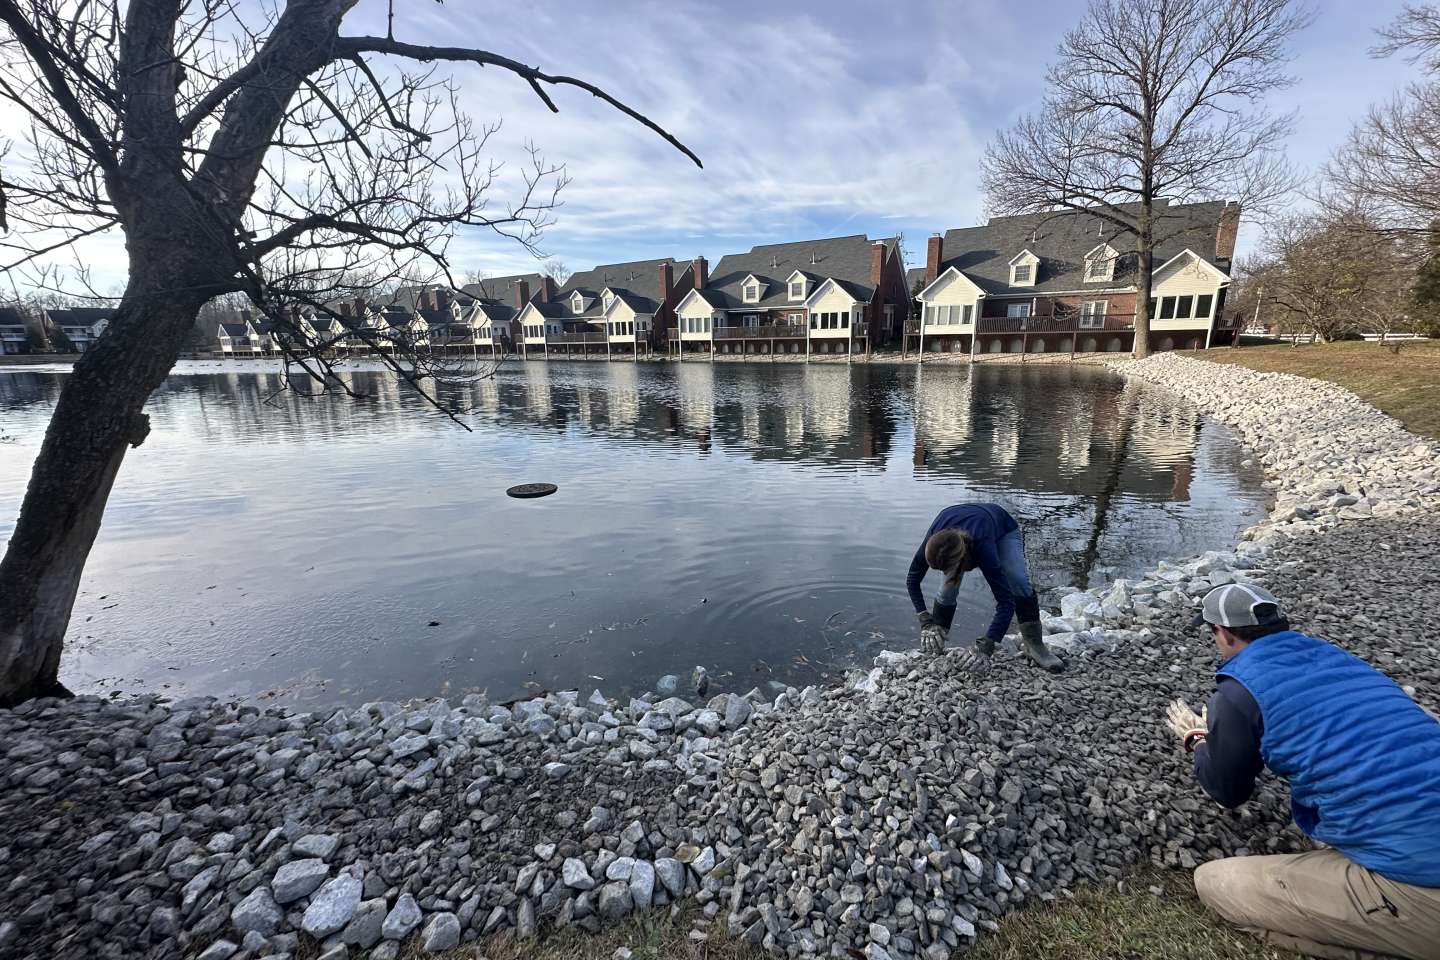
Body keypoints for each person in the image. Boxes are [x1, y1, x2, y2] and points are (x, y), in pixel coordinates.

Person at [1166, 583, 1440, 960]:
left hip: (1423, 886)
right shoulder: (1338, 658)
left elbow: (1228, 790)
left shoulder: (1236, 693)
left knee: (1213, 883)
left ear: (1224, 633)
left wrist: (1199, 741)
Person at [905, 502, 1062, 672]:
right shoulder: (934, 542)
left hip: (1002, 528)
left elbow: (1006, 602)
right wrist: (925, 620)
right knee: (946, 590)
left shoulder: (983, 548)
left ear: (962, 559)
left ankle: (1035, 646)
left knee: (1018, 581)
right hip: (962, 522)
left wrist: (988, 644)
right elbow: (912, 580)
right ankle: (937, 639)